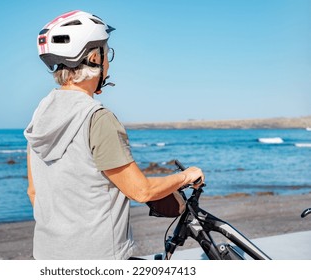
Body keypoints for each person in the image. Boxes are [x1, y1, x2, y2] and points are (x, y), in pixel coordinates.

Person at [24, 10, 205, 260]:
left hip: (47, 256)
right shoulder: (97, 118)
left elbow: (34, 193)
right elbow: (141, 191)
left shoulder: (40, 115)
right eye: (106, 53)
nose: (108, 62)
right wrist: (186, 176)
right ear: (93, 58)